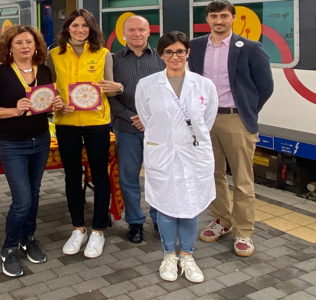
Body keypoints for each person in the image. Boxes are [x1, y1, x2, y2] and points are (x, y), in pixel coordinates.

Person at [188, 0, 273, 257]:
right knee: (212, 175)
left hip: (235, 119)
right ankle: (222, 220)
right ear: (208, 19)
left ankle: (244, 231)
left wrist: (246, 110)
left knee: (242, 179)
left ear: (233, 18)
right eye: (214, 16)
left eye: (224, 16)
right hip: (205, 120)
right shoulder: (196, 46)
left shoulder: (250, 48)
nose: (219, 20)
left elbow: (265, 86)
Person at [135, 31, 218, 283]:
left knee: (191, 207)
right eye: (169, 52)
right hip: (163, 154)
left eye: (180, 51)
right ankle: (169, 255)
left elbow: (206, 121)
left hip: (193, 154)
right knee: (166, 206)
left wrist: (183, 138)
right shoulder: (147, 85)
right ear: (161, 55)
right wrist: (169, 138)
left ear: (188, 53)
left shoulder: (204, 85)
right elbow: (147, 119)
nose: (175, 56)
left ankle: (188, 256)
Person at [0, 25, 64, 277]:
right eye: (18, 43)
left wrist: (56, 104)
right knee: (22, 200)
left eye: (29, 42)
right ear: (9, 48)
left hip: (40, 140)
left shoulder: (46, 70)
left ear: (37, 45)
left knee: (35, 193)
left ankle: (28, 238)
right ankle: (9, 247)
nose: (25, 47)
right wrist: (13, 111)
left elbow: (45, 107)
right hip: (11, 143)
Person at [47, 9, 121, 259]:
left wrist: (117, 87)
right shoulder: (53, 54)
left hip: (97, 122)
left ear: (92, 28)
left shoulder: (103, 54)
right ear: (67, 28)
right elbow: (50, 88)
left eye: (85, 26)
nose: (80, 30)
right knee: (71, 176)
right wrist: (56, 101)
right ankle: (78, 228)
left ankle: (98, 230)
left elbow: (110, 89)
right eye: (75, 25)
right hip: (66, 123)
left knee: (100, 175)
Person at [109, 15, 164, 244]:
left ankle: (160, 219)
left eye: (141, 29)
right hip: (127, 127)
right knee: (129, 178)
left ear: (148, 32)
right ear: (124, 34)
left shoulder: (162, 59)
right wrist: (132, 116)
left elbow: (170, 93)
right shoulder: (113, 60)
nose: (137, 34)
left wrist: (150, 118)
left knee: (157, 176)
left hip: (158, 130)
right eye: (131, 30)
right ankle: (135, 222)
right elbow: (108, 95)